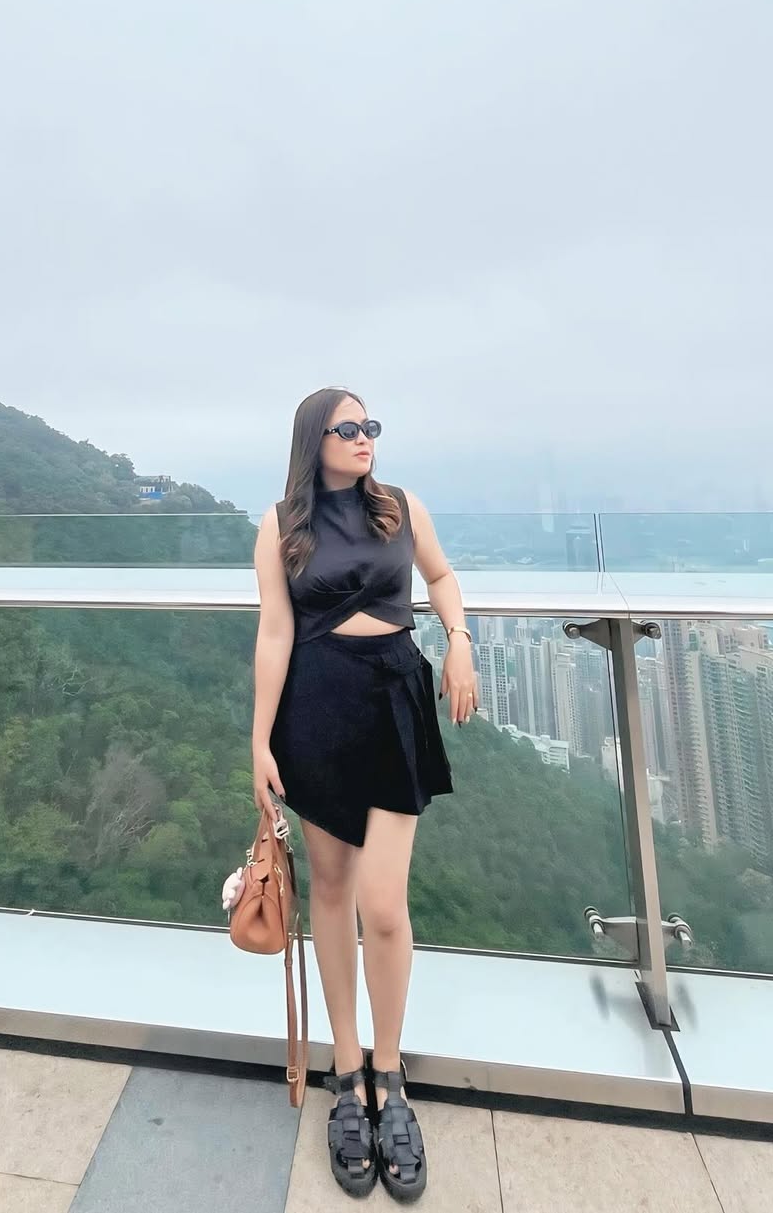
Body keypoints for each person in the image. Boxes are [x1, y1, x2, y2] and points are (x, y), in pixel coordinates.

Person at [251, 386, 477, 1202]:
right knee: (333, 890)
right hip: (316, 707)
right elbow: (275, 631)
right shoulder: (282, 525)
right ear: (314, 440)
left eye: (370, 426)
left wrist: (459, 638)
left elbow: (440, 574)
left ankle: (391, 1072)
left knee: (383, 904)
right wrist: (258, 742)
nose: (364, 437)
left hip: (393, 698)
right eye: (347, 428)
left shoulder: (400, 507)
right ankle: (347, 1073)